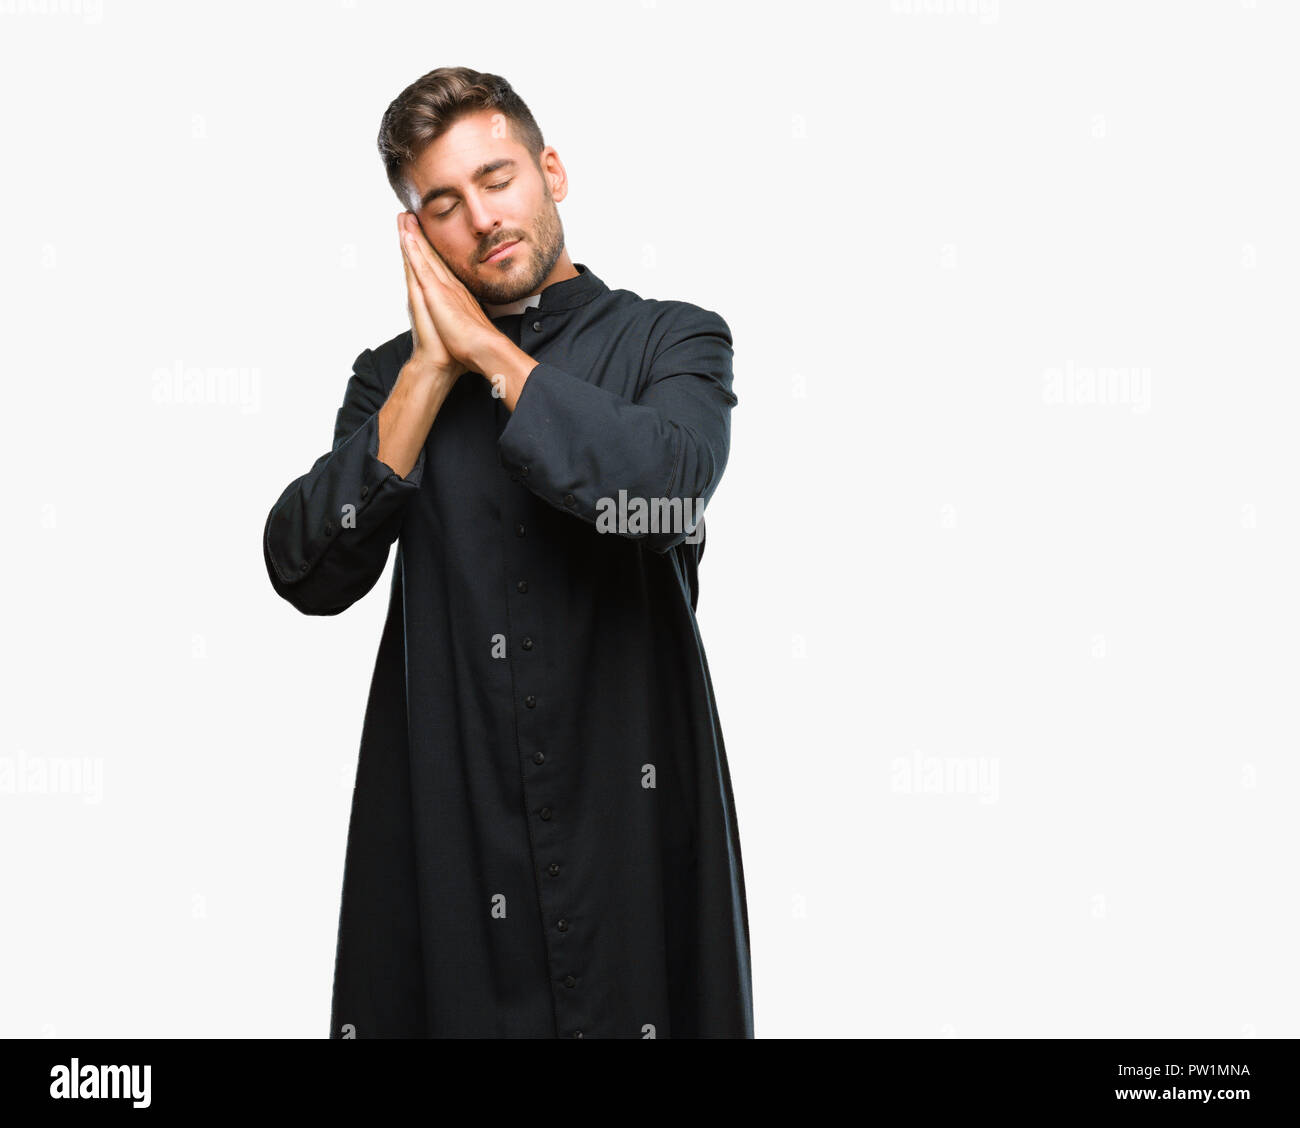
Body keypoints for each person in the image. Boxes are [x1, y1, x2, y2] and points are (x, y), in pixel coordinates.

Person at [262, 66, 752, 1038]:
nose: (482, 217)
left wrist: (490, 356)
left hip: (634, 825)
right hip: (456, 832)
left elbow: (657, 490)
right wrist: (430, 369)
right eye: (441, 204)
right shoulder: (386, 382)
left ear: (552, 172)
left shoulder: (673, 342)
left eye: (497, 178)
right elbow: (307, 568)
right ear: (416, 233)